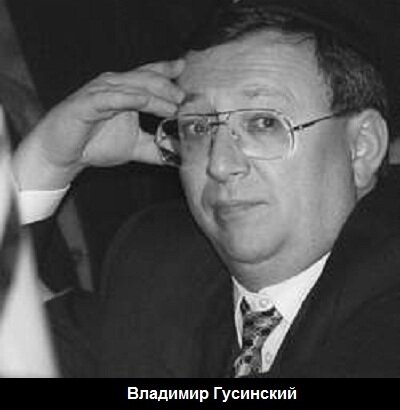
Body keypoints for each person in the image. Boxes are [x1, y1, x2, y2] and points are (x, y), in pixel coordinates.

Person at [11, 0, 400, 377]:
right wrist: (47, 161)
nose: (219, 163)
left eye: (263, 123)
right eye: (198, 127)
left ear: (361, 147)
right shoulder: (164, 266)